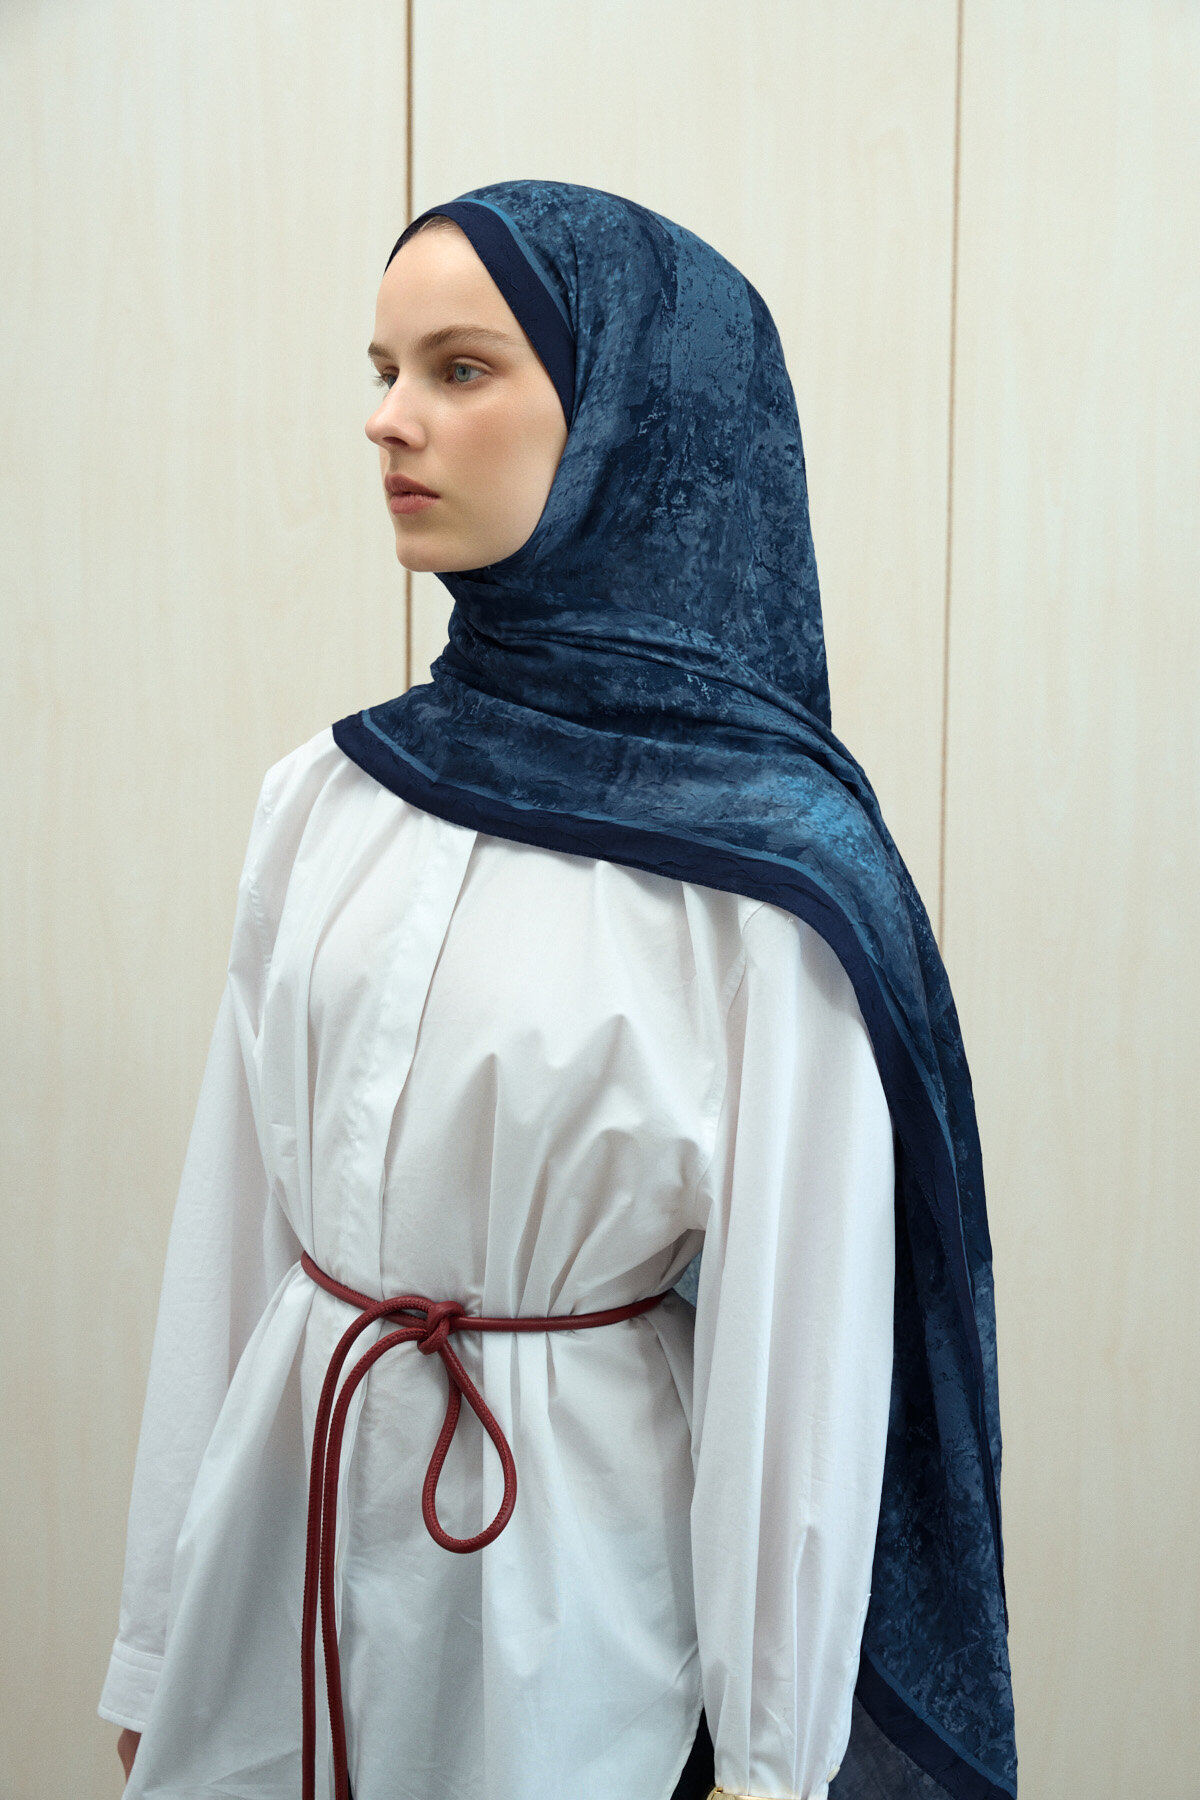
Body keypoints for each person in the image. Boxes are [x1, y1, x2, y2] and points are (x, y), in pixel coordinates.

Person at [100, 182, 1016, 1800]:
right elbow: (236, 1241)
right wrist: (163, 1644)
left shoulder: (767, 880)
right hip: (280, 1553)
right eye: (383, 369)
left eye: (460, 368)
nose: (389, 420)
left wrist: (773, 1761)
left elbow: (798, 1356)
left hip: (574, 1607)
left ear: (628, 424)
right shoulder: (326, 799)